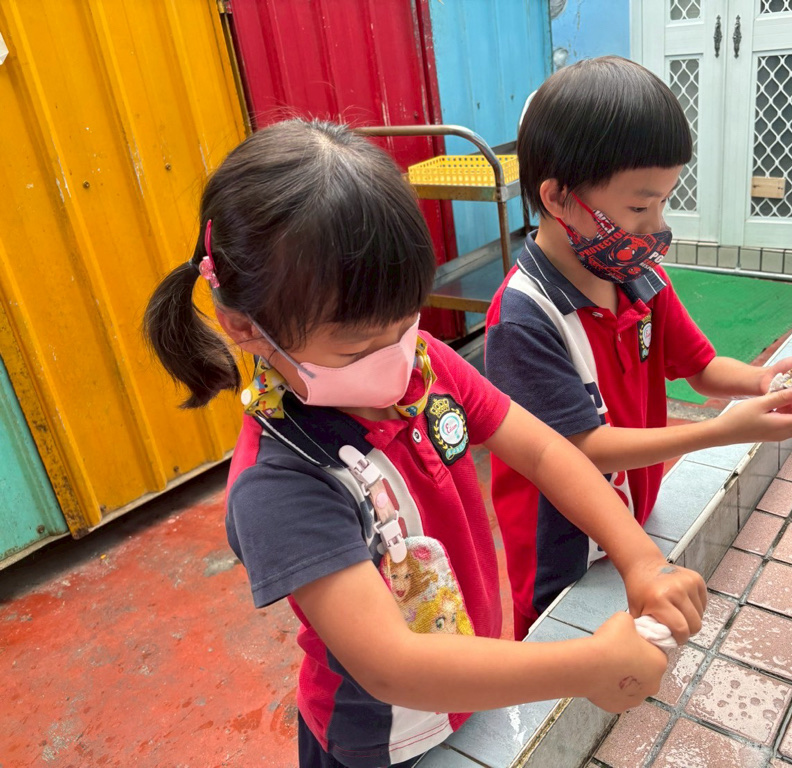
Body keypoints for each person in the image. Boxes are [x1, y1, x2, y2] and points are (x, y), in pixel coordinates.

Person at [143, 118, 707, 768]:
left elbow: (547, 451)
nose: (394, 355)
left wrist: (640, 559)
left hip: (473, 680)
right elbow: (393, 665)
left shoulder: (426, 364)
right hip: (384, 742)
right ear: (245, 327)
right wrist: (587, 665)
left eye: (405, 322)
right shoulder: (281, 484)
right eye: (357, 346)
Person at [485, 56, 792, 640]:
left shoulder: (638, 277)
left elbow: (701, 368)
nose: (655, 225)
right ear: (557, 197)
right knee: (565, 656)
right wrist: (722, 431)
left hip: (636, 517)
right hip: (564, 555)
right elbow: (583, 450)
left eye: (663, 202)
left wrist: (763, 382)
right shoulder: (525, 319)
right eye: (638, 206)